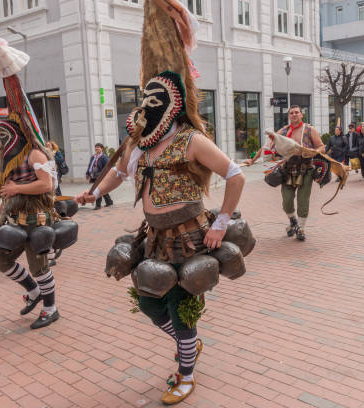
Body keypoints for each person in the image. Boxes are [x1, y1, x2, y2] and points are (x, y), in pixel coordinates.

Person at [77, 1, 247, 403]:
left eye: (153, 103)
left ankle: (185, 373)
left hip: (189, 237)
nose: (144, 109)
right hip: (153, 238)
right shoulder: (141, 145)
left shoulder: (191, 141)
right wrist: (93, 193)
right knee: (153, 306)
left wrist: (221, 222)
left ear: (169, 104)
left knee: (179, 306)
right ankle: (190, 347)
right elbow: (118, 172)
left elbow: (235, 175)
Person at [0, 6, 68, 329]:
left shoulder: (37, 154)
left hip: (37, 216)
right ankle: (33, 292)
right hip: (14, 215)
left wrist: (15, 189)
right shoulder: (10, 155)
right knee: (1, 260)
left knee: (40, 264)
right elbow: (5, 183)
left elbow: (46, 187)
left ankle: (50, 307)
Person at [245, 105, 325, 241]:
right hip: (287, 169)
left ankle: (301, 228)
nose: (294, 115)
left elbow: (321, 146)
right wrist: (252, 160)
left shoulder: (309, 130)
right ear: (289, 116)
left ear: (301, 115)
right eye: (292, 113)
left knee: (303, 200)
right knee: (287, 201)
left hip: (306, 169)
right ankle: (293, 221)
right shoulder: (283, 131)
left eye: (297, 112)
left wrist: (313, 152)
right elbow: (267, 146)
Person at [86, 143, 113, 209]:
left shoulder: (104, 157)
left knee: (97, 189)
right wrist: (88, 173)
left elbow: (108, 166)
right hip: (94, 175)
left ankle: (98, 205)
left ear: (102, 149)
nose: (96, 148)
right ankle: (109, 201)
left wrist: (104, 174)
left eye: (98, 147)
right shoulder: (93, 157)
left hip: (101, 176)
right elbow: (90, 166)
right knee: (101, 189)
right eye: (96, 147)